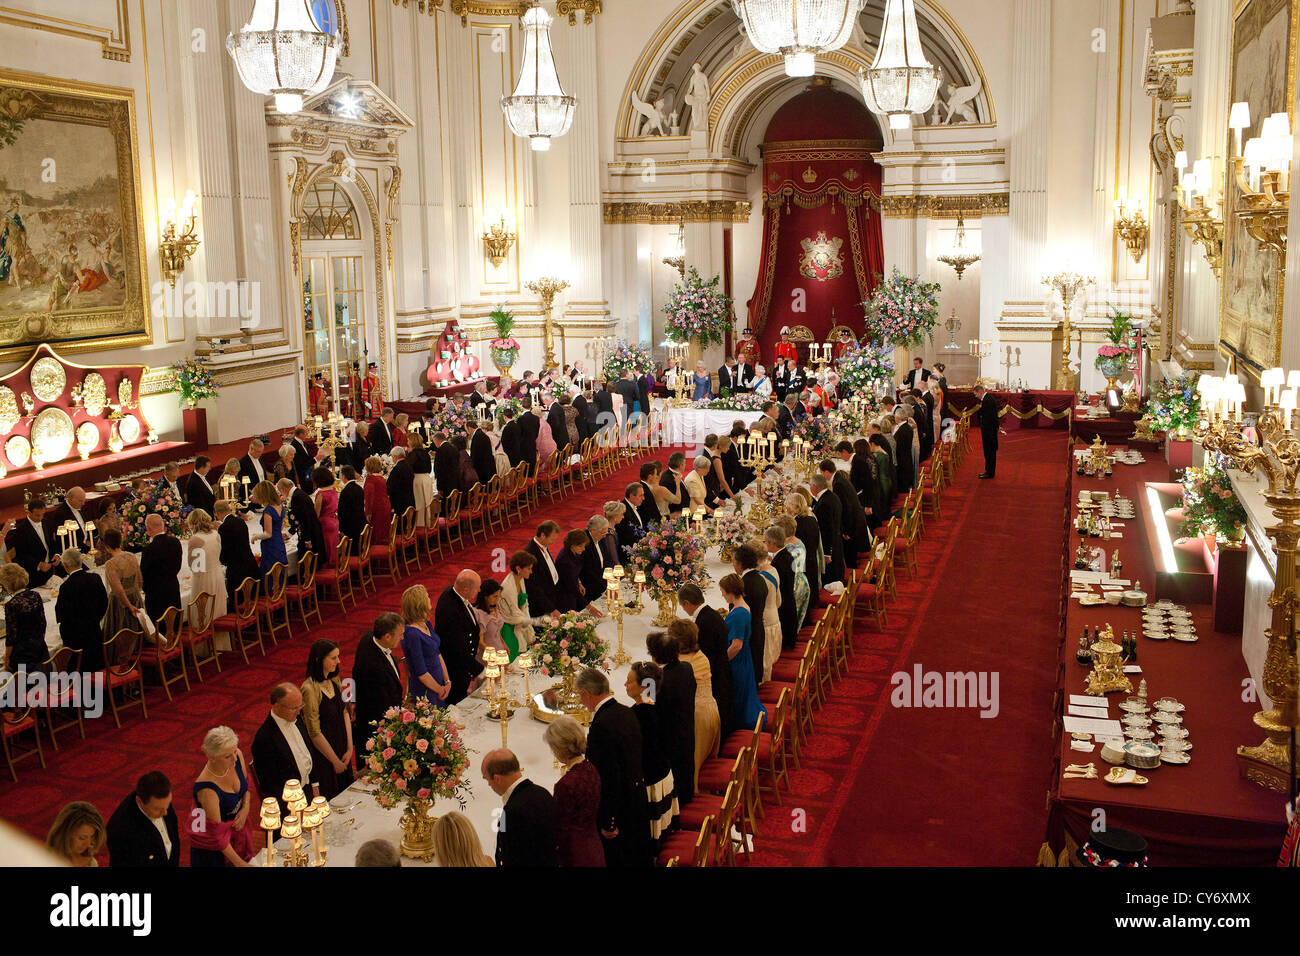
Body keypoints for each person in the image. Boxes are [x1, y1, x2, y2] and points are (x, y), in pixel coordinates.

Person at [578, 667, 651, 867]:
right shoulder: (625, 711)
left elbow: (608, 777)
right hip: (636, 798)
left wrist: (609, 820)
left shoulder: (601, 726)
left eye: (580, 696)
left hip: (621, 811)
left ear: (587, 694)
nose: (580, 701)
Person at [624, 661, 678, 840]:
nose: (625, 685)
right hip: (664, 777)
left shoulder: (636, 718)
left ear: (644, 687)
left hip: (651, 784)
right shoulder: (659, 705)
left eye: (629, 681)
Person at [540, 717, 605, 867]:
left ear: (559, 748)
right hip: (593, 844)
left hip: (574, 853)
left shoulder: (565, 785)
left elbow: (560, 827)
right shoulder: (591, 769)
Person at [667, 618, 722, 787]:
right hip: (712, 711)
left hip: (697, 717)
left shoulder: (683, 664)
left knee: (693, 767)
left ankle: (695, 802)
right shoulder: (701, 656)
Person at [250, 683, 319, 819]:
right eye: (294, 708)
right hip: (287, 805)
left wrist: (315, 785)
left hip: (308, 790)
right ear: (276, 706)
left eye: (300, 706)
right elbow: (270, 785)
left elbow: (308, 752)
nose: (299, 712)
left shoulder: (296, 718)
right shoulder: (264, 739)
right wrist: (294, 809)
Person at [482, 748, 558, 867]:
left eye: (488, 780)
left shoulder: (511, 812)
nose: (489, 785)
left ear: (497, 778)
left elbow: (510, 859)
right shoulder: (543, 793)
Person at [677, 584, 735, 740]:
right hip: (722, 668)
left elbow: (707, 656)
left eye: (683, 606)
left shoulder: (704, 622)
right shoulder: (711, 614)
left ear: (688, 603)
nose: (684, 610)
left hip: (716, 675)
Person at [646, 631, 696, 808]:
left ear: (653, 656)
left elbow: (649, 712)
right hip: (686, 732)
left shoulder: (655, 682)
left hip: (667, 742)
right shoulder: (687, 669)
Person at [191, 726, 254, 867]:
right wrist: (241, 864)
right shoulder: (207, 790)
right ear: (211, 757)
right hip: (220, 851)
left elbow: (246, 787)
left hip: (240, 833)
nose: (234, 759)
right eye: (227, 756)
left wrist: (245, 808)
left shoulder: (236, 755)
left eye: (234, 751)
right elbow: (217, 836)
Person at [301, 639, 354, 800]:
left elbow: (345, 712)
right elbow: (314, 731)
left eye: (338, 656)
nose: (338, 661)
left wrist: (350, 748)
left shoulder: (334, 679)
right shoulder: (309, 689)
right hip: (326, 756)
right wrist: (335, 761)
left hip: (342, 748)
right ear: (319, 659)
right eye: (333, 658)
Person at [352, 612, 405, 768]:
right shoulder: (373, 666)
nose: (402, 638)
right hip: (375, 725)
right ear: (387, 637)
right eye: (400, 635)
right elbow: (382, 704)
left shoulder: (369, 637)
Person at [718, 573, 766, 730]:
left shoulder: (739, 613)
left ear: (730, 591)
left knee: (738, 695)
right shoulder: (742, 607)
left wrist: (722, 662)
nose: (722, 594)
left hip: (738, 661)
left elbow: (736, 645)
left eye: (723, 591)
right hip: (744, 658)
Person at [106, 771, 180, 867]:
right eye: (157, 809)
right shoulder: (120, 831)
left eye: (168, 805)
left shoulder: (161, 802)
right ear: (139, 802)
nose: (165, 813)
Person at [435, 570, 486, 704]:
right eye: (477, 588)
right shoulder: (450, 610)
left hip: (463, 666)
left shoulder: (455, 595)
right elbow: (458, 650)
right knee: (456, 703)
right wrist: (481, 671)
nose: (479, 590)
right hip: (455, 669)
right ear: (465, 589)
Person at [54, 549, 107, 672]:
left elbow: (61, 615)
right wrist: (95, 619)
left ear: (65, 565)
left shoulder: (66, 587)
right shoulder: (95, 578)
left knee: (80, 673)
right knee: (96, 670)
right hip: (94, 633)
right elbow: (104, 602)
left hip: (76, 640)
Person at [400, 584, 451, 704]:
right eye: (427, 596)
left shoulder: (425, 623)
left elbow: (437, 653)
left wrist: (447, 681)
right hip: (425, 690)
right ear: (420, 604)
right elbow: (421, 672)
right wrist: (439, 690)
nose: (430, 598)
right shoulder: (412, 634)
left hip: (439, 685)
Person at [733, 543, 770, 685]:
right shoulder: (760, 578)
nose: (733, 565)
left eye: (734, 562)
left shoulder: (744, 585)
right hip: (758, 628)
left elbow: (739, 613)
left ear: (740, 564)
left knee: (749, 675)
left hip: (748, 635)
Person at [0, 564, 46, 673]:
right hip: (40, 650)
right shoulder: (36, 595)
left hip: (24, 657)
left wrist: (7, 658)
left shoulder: (11, 604)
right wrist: (39, 642)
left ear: (7, 583)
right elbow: (43, 623)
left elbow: (12, 636)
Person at [185, 509, 228, 621]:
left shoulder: (196, 539)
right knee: (218, 612)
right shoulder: (215, 534)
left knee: (203, 614)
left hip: (203, 580)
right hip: (217, 576)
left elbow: (194, 566)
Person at [765, 525, 800, 651]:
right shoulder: (787, 556)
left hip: (784, 613)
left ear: (772, 543)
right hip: (790, 606)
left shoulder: (778, 564)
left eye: (766, 541)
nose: (765, 544)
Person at [9, 498, 57, 587]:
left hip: (50, 570)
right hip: (33, 574)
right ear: (29, 513)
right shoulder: (21, 530)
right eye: (37, 515)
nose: (41, 518)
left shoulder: (46, 523)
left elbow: (51, 543)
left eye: (43, 514)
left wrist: (57, 555)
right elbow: (21, 554)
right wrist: (38, 564)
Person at [810, 473, 846, 586]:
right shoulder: (831, 496)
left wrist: (826, 553)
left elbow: (827, 530)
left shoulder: (824, 504)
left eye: (810, 485)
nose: (810, 487)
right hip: (837, 542)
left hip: (831, 547)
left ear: (815, 487)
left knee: (831, 579)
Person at [45, 802, 105, 867]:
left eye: (92, 837)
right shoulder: (43, 859)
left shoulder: (90, 863)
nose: (88, 844)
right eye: (82, 838)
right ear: (65, 834)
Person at [251, 481, 288, 584]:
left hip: (270, 546)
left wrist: (255, 537)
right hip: (279, 543)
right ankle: (280, 594)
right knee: (279, 571)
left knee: (271, 572)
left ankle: (272, 596)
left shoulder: (268, 510)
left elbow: (268, 533)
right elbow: (281, 525)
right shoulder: (279, 505)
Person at [524, 520, 562, 616]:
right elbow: (533, 586)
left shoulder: (543, 545)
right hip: (541, 606)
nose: (553, 543)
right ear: (543, 535)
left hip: (551, 597)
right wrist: (550, 608)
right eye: (552, 540)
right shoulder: (530, 553)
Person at [43, 486, 91, 553]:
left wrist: (89, 540)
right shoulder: (60, 514)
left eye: (83, 500)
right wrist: (85, 548)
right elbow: (65, 539)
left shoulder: (79, 507)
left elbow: (86, 525)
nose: (83, 503)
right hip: (75, 550)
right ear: (70, 499)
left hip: (87, 545)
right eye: (80, 501)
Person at [556, 529, 591, 613]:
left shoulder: (574, 553)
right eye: (580, 546)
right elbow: (570, 585)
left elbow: (575, 572)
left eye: (584, 546)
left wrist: (579, 582)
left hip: (572, 591)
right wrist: (588, 606)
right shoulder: (564, 560)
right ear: (572, 545)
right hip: (564, 596)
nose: (583, 549)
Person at [360, 456, 393, 545]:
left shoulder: (370, 480)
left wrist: (368, 512)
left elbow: (368, 497)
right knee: (384, 531)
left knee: (376, 533)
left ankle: (376, 552)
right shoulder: (381, 478)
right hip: (385, 506)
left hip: (376, 508)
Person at [974, 383, 1005, 479]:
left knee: (989, 452)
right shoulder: (988, 399)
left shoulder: (987, 400)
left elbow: (988, 417)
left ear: (980, 392)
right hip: (989, 430)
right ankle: (989, 470)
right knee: (988, 452)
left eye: (976, 394)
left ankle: (989, 472)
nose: (976, 396)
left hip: (989, 431)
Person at [336, 465, 364, 557]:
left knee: (351, 551)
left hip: (349, 527)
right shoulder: (359, 488)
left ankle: (354, 569)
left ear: (343, 476)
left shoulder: (345, 491)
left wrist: (341, 529)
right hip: (360, 523)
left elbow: (342, 512)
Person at [408, 434, 436, 527]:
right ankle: (428, 522)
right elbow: (429, 468)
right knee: (427, 502)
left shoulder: (413, 454)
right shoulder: (425, 453)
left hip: (418, 480)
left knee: (419, 503)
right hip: (426, 479)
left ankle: (420, 524)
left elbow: (409, 469)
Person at [387, 447, 416, 525]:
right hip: (410, 499)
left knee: (401, 526)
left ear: (395, 457)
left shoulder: (397, 469)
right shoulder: (408, 466)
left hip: (400, 503)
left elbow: (390, 487)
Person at [893, 405, 917, 493]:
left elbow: (898, 446)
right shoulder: (907, 427)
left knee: (903, 486)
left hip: (902, 460)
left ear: (898, 418)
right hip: (906, 458)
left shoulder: (902, 430)